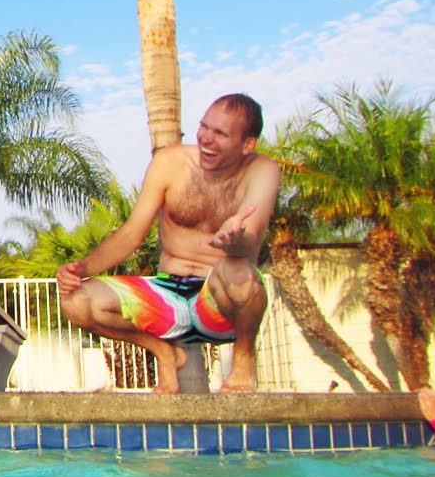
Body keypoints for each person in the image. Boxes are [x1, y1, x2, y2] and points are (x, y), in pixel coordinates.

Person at [56, 94, 281, 394]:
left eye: (221, 134)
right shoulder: (170, 162)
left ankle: (243, 358)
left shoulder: (263, 170)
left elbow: (249, 239)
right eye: (204, 126)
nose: (207, 139)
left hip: (216, 306)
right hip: (167, 298)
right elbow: (131, 234)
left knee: (238, 270)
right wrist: (80, 269)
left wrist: (235, 242)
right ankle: (164, 352)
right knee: (77, 301)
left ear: (247, 144)